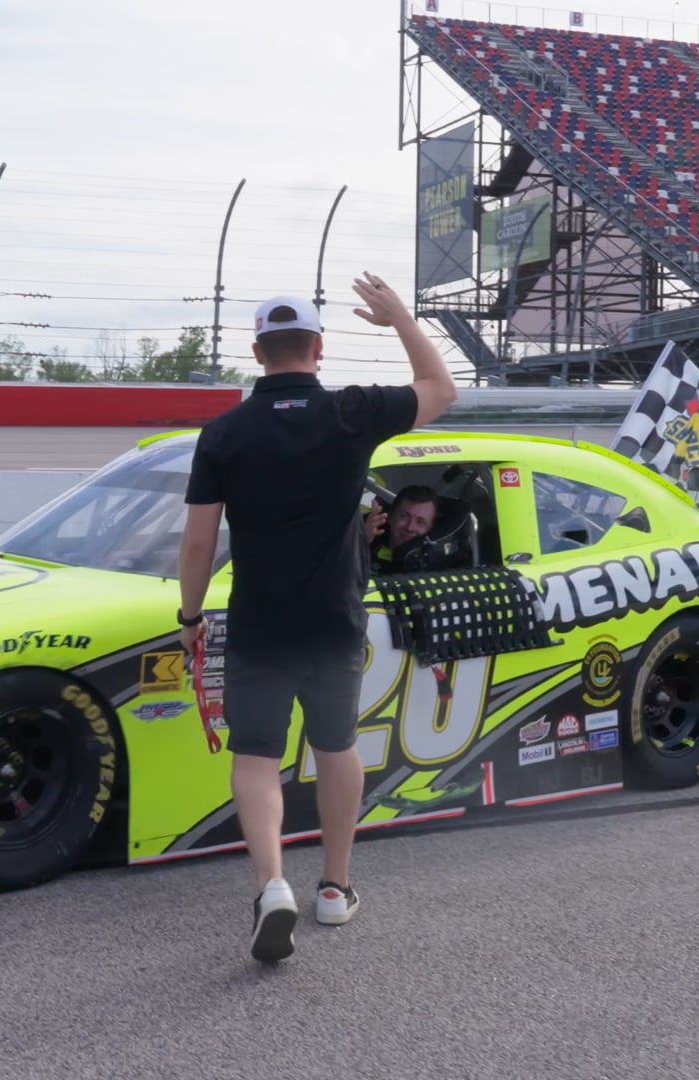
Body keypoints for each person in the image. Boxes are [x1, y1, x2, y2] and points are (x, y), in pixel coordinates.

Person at [175, 272, 457, 964]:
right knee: (337, 748)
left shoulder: (224, 433)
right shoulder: (352, 412)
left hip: (261, 622)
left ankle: (272, 884)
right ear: (319, 349)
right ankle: (335, 888)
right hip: (335, 620)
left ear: (257, 351)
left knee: (256, 758)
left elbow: (198, 542)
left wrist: (189, 616)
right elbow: (443, 391)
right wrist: (399, 319)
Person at [363, 485, 440, 575]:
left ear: (431, 528)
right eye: (404, 516)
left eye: (420, 522)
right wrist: (362, 541)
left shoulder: (435, 569)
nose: (410, 527)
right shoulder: (364, 546)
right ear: (390, 516)